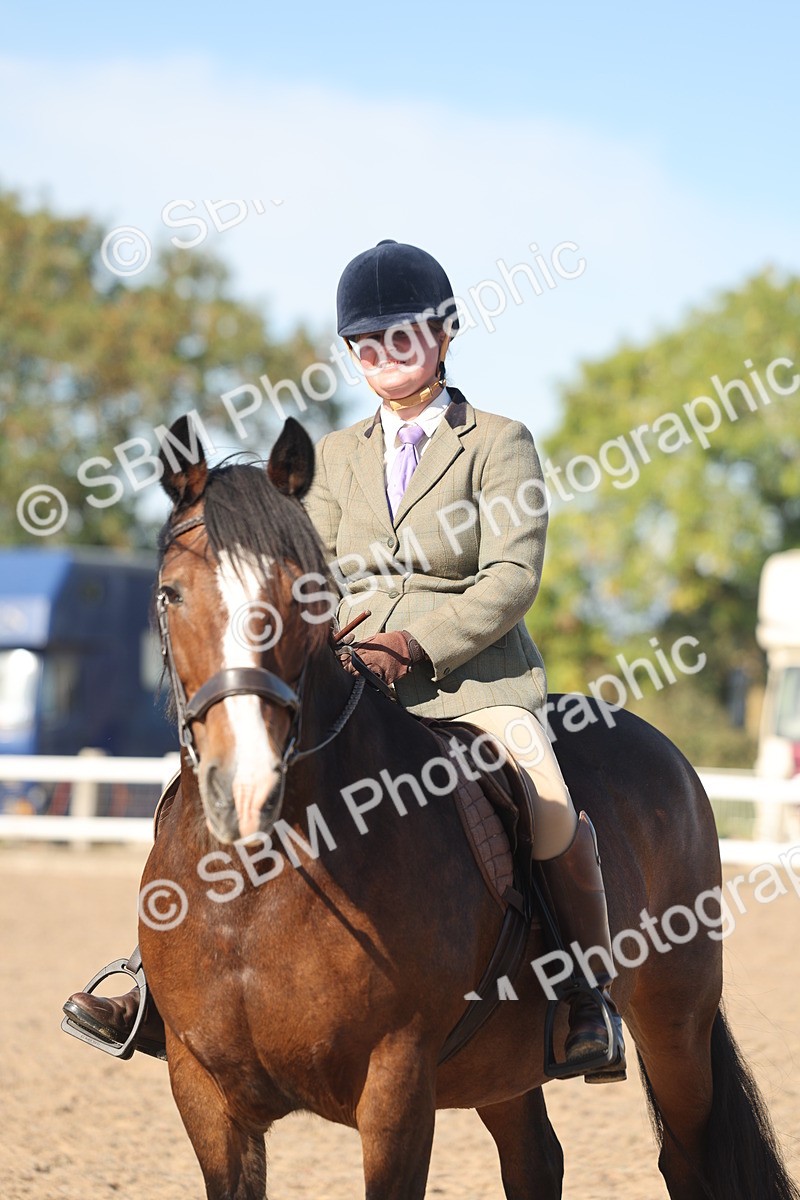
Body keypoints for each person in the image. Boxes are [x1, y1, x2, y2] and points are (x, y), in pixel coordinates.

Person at [63, 239, 625, 1083]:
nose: (382, 358)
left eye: (400, 338)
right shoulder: (331, 455)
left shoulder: (500, 443)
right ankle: (155, 980)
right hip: (353, 679)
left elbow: (511, 578)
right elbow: (305, 574)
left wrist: (415, 641)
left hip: (473, 685)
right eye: (366, 345)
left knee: (546, 800)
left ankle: (585, 993)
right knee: (211, 785)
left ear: (442, 336)